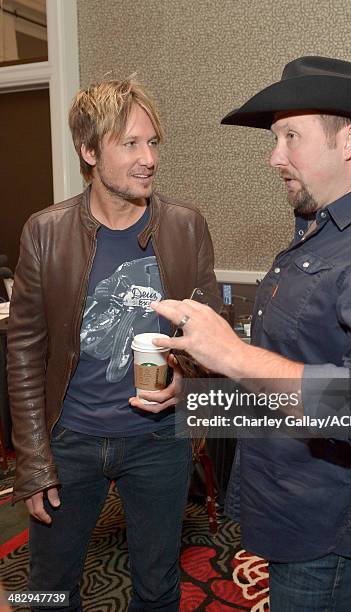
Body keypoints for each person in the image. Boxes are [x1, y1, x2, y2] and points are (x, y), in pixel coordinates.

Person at [150, 56, 351, 611]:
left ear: (348, 140)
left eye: (289, 137)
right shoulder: (318, 230)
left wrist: (231, 353)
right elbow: (295, 370)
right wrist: (196, 400)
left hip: (329, 530)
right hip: (286, 502)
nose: (274, 156)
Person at [7, 78, 217, 611]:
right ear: (88, 150)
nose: (149, 158)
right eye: (130, 144)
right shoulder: (45, 232)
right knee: (50, 587)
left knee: (157, 584)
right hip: (70, 440)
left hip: (157, 444)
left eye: (153, 143)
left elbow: (205, 337)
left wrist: (185, 386)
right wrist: (33, 458)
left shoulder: (186, 227)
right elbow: (26, 353)